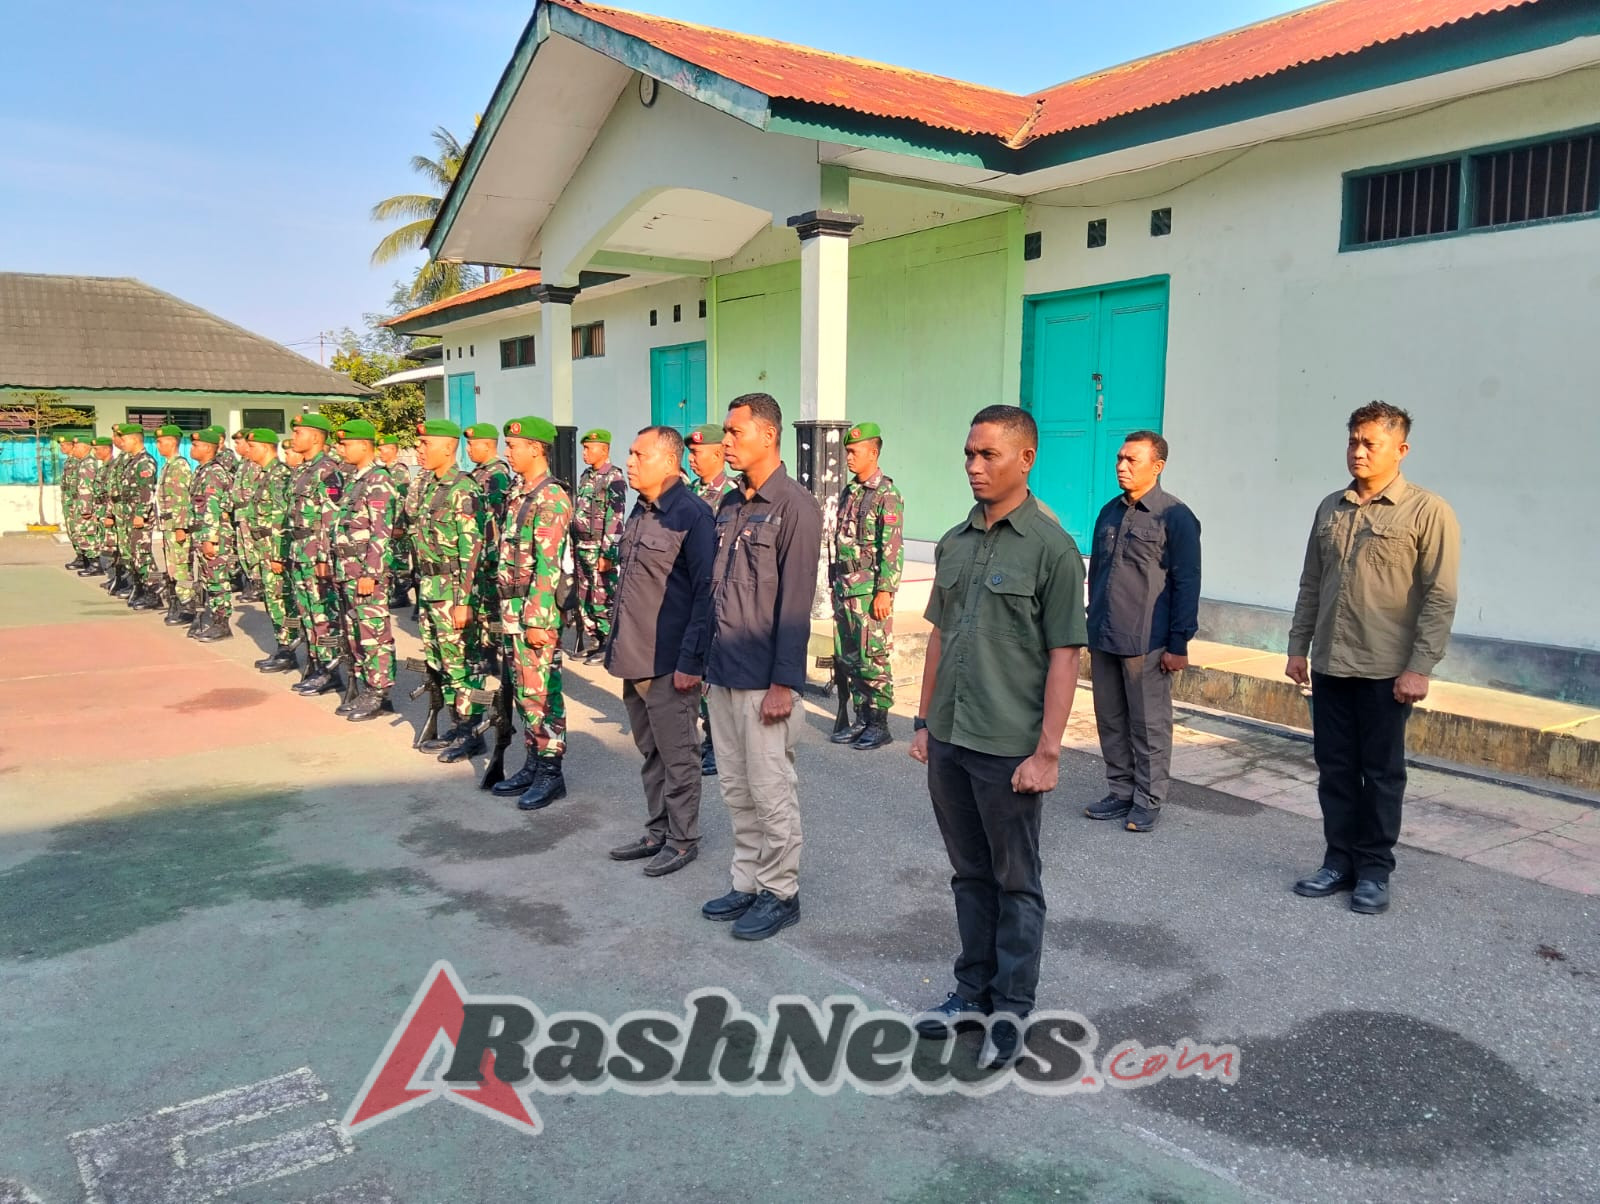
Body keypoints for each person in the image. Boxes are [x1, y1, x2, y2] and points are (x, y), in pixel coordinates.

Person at [909, 404, 1087, 1069]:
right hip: (951, 739)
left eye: (988, 455)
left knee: (1017, 883)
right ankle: (971, 991)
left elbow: (1066, 654)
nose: (974, 466)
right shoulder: (955, 542)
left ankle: (1011, 1012)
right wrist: (923, 722)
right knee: (969, 875)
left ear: (1025, 458)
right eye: (969, 454)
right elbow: (937, 635)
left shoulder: (1051, 548)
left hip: (1009, 747)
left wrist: (1047, 751)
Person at [1286, 402, 1460, 916]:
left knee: (1381, 774)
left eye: (1371, 444)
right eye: (1353, 442)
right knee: (1334, 770)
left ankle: (1375, 871)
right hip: (1331, 665)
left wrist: (1420, 667)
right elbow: (1312, 582)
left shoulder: (1428, 512)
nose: (1358, 452)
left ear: (1400, 450)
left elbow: (1439, 596)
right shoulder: (1330, 508)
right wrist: (1299, 646)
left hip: (1386, 671)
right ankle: (1338, 862)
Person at [699, 394, 822, 941]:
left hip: (763, 681)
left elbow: (795, 603)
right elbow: (716, 592)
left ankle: (781, 891)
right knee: (735, 786)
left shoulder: (795, 505)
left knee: (771, 789)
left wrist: (783, 683)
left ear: (768, 435)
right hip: (723, 673)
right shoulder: (730, 504)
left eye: (734, 432)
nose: (725, 442)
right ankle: (747, 881)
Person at [605, 426, 715, 876]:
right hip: (635, 656)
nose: (629, 462)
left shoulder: (692, 515)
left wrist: (691, 662)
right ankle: (658, 830)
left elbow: (708, 594)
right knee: (651, 751)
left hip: (670, 662)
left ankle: (684, 838)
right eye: (628, 454)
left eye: (638, 454)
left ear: (668, 461)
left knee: (679, 753)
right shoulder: (642, 510)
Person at [1083, 431, 1201, 833]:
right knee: (1111, 718)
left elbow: (1187, 582)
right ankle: (1120, 791)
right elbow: (1097, 572)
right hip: (1104, 634)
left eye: (1132, 460)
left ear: (1158, 466)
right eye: (1119, 458)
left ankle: (1148, 799)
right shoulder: (1108, 513)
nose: (1121, 466)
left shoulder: (1176, 517)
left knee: (1148, 723)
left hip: (1147, 641)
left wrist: (1179, 642)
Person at [488, 417, 574, 809]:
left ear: (537, 449)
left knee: (542, 693)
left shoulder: (550, 498)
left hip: (533, 614)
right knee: (523, 692)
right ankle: (533, 761)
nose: (508, 452)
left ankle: (551, 772)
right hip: (512, 609)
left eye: (514, 446)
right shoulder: (519, 493)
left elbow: (548, 564)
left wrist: (539, 621)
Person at [411, 420, 488, 762]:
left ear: (447, 447)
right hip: (430, 589)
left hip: (453, 592)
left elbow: (472, 552)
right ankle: (458, 725)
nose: (420, 449)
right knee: (439, 661)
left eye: (426, 444)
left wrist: (464, 602)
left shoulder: (463, 489)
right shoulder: (430, 486)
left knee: (462, 663)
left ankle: (472, 730)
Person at [828, 422, 905, 751]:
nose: (848, 457)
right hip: (845, 588)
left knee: (873, 656)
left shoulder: (886, 494)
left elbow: (893, 546)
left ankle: (879, 722)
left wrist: (885, 591)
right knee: (851, 657)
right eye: (847, 451)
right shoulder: (851, 492)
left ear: (873, 453)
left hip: (869, 590)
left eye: (854, 452)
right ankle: (861, 717)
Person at [329, 421, 398, 721]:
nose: (340, 449)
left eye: (345, 444)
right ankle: (365, 686)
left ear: (364, 446)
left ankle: (379, 693)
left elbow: (381, 531)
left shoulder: (378, 480)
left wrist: (371, 572)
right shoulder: (356, 480)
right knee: (356, 631)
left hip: (365, 572)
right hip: (349, 569)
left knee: (374, 633)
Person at [279, 414, 346, 691]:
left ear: (316, 437)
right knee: (307, 612)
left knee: (323, 614)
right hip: (299, 550)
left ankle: (330, 669)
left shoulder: (328, 470)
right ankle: (316, 662)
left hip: (315, 553)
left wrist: (322, 557)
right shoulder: (303, 469)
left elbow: (330, 519)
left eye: (299, 433)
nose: (294, 438)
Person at [686, 423, 738, 775]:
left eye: (698, 453)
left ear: (719, 453)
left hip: (717, 596)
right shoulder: (690, 491)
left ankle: (718, 745)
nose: (692, 459)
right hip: (692, 594)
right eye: (690, 453)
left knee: (713, 675)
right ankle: (707, 739)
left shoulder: (732, 494)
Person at [571, 429, 627, 663]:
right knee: (584, 595)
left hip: (598, 548)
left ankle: (609, 643)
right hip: (582, 545)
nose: (584, 452)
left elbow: (615, 518)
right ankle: (595, 640)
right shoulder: (586, 475)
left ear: (604, 450)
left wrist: (608, 553)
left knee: (603, 595)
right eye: (584, 448)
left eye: (589, 448)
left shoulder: (614, 477)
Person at [246, 430, 299, 674]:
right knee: (272, 598)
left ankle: (288, 648)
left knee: (282, 598)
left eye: (252, 446)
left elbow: (282, 516)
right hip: (263, 548)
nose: (248, 450)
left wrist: (279, 555)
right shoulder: (264, 474)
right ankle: (283, 644)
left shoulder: (279, 475)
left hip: (274, 548)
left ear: (266, 448)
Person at [466, 422, 513, 679]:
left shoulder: (497, 475)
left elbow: (495, 518)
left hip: (492, 554)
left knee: (492, 606)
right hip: (482, 553)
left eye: (473, 444)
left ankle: (493, 652)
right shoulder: (479, 472)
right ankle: (486, 650)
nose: (469, 449)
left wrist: (490, 553)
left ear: (487, 445)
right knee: (484, 605)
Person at [187, 427, 237, 642]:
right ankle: (216, 619)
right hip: (202, 532)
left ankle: (222, 623)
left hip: (213, 534)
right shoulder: (201, 470)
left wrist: (210, 539)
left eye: (196, 445)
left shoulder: (213, 473)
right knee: (209, 579)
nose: (192, 448)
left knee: (217, 580)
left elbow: (213, 507)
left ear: (207, 447)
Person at [152, 425, 196, 625]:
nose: (158, 445)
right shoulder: (167, 465)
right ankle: (178, 601)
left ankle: (188, 605)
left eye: (161, 442)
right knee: (172, 566)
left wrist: (181, 527)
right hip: (168, 525)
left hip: (177, 525)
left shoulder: (179, 466)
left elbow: (183, 499)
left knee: (181, 565)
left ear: (172, 442)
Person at [112, 423, 159, 609]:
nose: (121, 443)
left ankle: (155, 591)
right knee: (134, 555)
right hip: (128, 515)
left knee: (143, 555)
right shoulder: (131, 460)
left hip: (140, 517)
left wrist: (141, 514)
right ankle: (141, 588)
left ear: (134, 439)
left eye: (123, 439)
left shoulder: (144, 462)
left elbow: (146, 490)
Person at [378, 436, 414, 609]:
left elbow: (402, 498)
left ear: (393, 449)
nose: (380, 452)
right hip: (389, 522)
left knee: (400, 560)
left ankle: (402, 593)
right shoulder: (385, 470)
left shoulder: (398, 470)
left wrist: (399, 524)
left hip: (397, 523)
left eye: (383, 448)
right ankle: (395, 591)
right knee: (391, 559)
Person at [231, 430, 263, 601]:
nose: (236, 447)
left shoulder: (254, 464)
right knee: (244, 551)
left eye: (239, 443)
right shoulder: (243, 463)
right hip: (240, 513)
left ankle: (258, 585)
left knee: (252, 550)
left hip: (249, 512)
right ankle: (250, 583)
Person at [73, 438, 105, 576]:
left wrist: (86, 509)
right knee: (83, 533)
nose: (74, 449)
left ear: (85, 448)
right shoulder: (83, 463)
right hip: (82, 504)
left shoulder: (88, 464)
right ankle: (89, 561)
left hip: (88, 506)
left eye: (77, 447)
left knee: (89, 533)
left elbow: (89, 488)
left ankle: (96, 564)